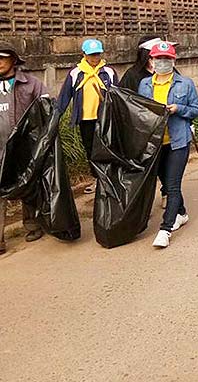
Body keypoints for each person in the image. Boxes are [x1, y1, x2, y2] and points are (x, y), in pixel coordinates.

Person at [138, 42, 198, 248]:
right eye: (158, 59)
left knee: (173, 185)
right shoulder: (144, 85)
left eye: (166, 59)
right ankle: (181, 213)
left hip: (178, 141)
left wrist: (178, 108)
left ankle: (165, 230)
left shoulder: (185, 83)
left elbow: (196, 109)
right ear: (152, 61)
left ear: (173, 61)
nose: (162, 62)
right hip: (155, 143)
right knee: (165, 182)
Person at [0, 44, 48, 254]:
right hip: (0, 148)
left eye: (2, 58)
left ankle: (32, 225)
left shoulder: (30, 84)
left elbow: (48, 105)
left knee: (27, 185)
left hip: (24, 147)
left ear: (13, 60)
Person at [57, 39, 118, 194]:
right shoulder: (75, 73)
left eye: (97, 54)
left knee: (106, 149)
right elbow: (65, 96)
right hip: (85, 119)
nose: (95, 58)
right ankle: (98, 179)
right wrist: (56, 116)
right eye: (91, 55)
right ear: (84, 54)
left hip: (104, 118)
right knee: (90, 150)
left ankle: (108, 179)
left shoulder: (108, 72)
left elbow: (118, 95)